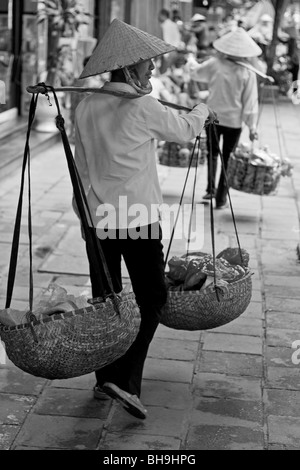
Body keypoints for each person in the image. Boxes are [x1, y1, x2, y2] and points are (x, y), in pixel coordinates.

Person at [74, 18, 217, 420]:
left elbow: (82, 169)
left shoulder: (86, 107)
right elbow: (185, 129)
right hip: (136, 219)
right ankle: (125, 379)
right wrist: (202, 109)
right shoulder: (142, 106)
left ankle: (105, 377)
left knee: (109, 299)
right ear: (129, 69)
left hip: (96, 218)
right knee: (151, 297)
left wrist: (86, 213)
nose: (152, 69)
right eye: (147, 64)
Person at [187, 27, 262, 209]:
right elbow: (250, 102)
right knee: (227, 158)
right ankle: (220, 198)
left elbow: (196, 72)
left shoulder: (216, 63)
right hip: (234, 121)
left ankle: (211, 190)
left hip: (213, 117)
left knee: (212, 153)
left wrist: (190, 60)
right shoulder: (248, 72)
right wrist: (252, 127)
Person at [158, 9, 183, 73]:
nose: (158, 17)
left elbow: (165, 39)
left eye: (159, 15)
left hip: (168, 51)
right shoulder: (173, 24)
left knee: (164, 72)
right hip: (174, 50)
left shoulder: (165, 25)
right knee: (170, 71)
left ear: (163, 15)